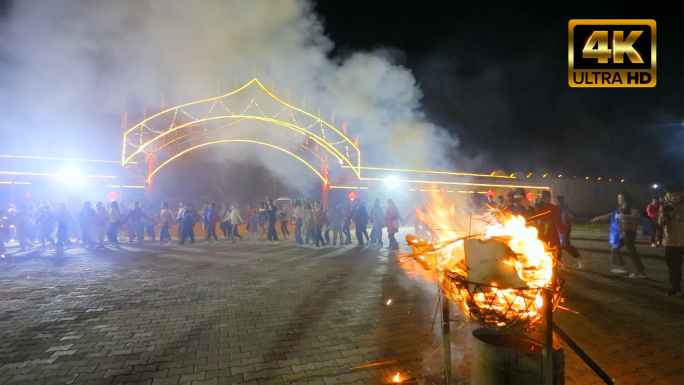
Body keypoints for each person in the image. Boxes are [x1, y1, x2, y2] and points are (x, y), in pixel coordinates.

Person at [591, 192, 645, 278]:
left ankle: (640, 271)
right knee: (615, 249)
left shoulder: (633, 211)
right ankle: (621, 267)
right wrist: (595, 219)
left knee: (632, 252)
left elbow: (639, 220)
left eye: (620, 198)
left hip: (629, 234)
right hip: (623, 234)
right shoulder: (619, 210)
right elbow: (608, 216)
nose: (618, 199)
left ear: (625, 199)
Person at [659, 183, 684, 296]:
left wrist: (676, 213)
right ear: (667, 195)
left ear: (681, 194)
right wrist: (664, 213)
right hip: (671, 242)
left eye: (677, 194)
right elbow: (660, 222)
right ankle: (676, 288)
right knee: (673, 267)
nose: (674, 197)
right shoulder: (665, 206)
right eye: (671, 194)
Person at [554, 196, 584, 268]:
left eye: (555, 201)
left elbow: (572, 218)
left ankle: (580, 259)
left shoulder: (565, 209)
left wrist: (566, 230)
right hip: (558, 230)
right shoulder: (557, 209)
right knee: (558, 246)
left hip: (564, 230)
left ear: (560, 201)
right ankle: (558, 262)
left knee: (566, 246)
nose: (554, 202)